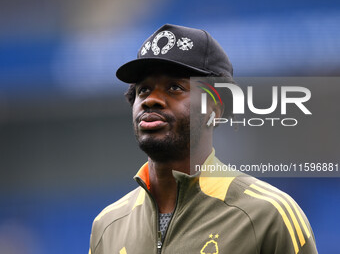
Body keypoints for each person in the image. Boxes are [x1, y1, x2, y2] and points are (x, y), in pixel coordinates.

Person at [89, 24, 318, 254]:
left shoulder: (268, 215)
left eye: (175, 87)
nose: (151, 100)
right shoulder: (107, 227)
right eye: (144, 90)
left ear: (213, 110)